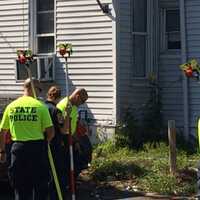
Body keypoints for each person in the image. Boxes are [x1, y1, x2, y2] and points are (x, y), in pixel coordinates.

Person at [0, 78, 54, 200]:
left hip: (17, 149)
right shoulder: (40, 106)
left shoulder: (11, 106)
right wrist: (46, 142)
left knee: (19, 186)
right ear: (33, 88)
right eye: (39, 89)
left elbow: (2, 132)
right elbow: (51, 132)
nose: (39, 93)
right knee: (39, 185)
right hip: (37, 149)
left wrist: (2, 151)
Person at [56, 88, 90, 176]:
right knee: (67, 164)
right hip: (64, 138)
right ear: (77, 96)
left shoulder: (74, 106)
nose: (82, 104)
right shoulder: (65, 106)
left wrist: (76, 141)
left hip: (72, 137)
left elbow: (73, 125)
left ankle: (74, 180)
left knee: (82, 153)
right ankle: (67, 184)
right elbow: (62, 126)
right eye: (82, 101)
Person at [45, 85, 68, 199]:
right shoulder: (56, 111)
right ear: (58, 98)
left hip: (41, 145)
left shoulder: (40, 107)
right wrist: (67, 116)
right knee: (56, 173)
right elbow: (63, 130)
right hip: (54, 145)